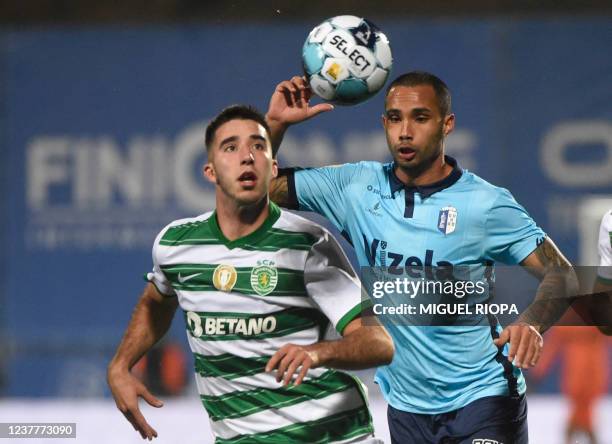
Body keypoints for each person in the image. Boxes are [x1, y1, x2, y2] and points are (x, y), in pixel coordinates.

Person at [265, 72, 575, 443]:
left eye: (420, 118)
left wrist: (532, 324)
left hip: (483, 398)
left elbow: (563, 274)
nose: (405, 132)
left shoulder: (486, 204)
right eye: (395, 118)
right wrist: (274, 125)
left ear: (448, 124)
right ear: (384, 123)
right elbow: (257, 189)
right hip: (408, 408)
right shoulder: (355, 188)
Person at [107, 105, 394, 443]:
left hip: (333, 436)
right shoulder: (175, 244)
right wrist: (121, 365)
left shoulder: (307, 244)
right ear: (210, 171)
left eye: (258, 146)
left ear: (273, 168)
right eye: (231, 147)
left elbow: (378, 344)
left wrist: (318, 353)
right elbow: (156, 302)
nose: (247, 157)